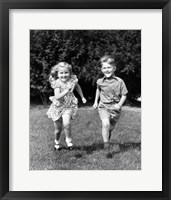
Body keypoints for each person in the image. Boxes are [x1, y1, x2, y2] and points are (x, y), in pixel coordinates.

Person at [47, 62, 87, 150]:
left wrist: (82, 97)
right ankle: (57, 142)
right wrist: (66, 90)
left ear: (70, 73)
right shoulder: (56, 83)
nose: (64, 75)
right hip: (58, 107)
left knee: (67, 123)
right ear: (57, 74)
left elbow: (77, 86)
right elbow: (57, 96)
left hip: (68, 106)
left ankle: (69, 141)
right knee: (58, 130)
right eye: (61, 73)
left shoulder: (72, 80)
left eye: (66, 73)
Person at [93, 55, 128, 153]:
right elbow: (98, 90)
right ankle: (106, 146)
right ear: (101, 69)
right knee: (105, 124)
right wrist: (96, 101)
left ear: (114, 68)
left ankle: (106, 140)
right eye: (104, 68)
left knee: (109, 128)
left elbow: (124, 94)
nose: (106, 70)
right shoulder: (100, 81)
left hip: (115, 109)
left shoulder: (120, 81)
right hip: (103, 106)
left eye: (109, 67)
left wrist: (119, 105)